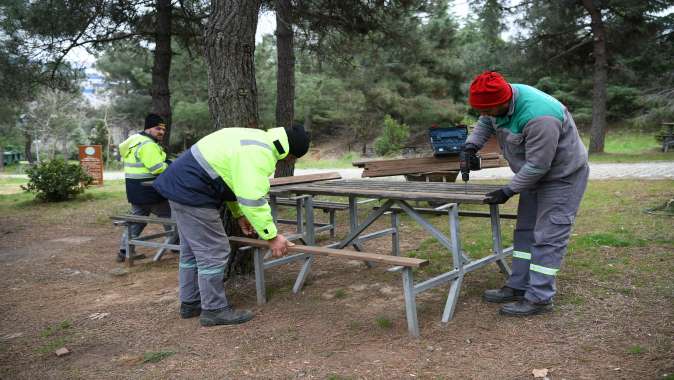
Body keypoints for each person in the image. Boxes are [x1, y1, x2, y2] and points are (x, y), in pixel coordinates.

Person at [153, 125, 311, 327]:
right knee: (214, 250)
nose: (290, 162)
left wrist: (238, 214)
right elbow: (253, 199)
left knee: (192, 251)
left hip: (180, 186)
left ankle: (190, 302)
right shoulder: (260, 154)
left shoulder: (255, 139)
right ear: (289, 153)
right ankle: (214, 309)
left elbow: (229, 179)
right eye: (293, 158)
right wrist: (272, 236)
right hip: (192, 192)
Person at [461, 71, 589, 316]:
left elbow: (539, 165)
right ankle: (518, 285)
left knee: (548, 235)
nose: (485, 114)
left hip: (562, 177)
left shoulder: (540, 116)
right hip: (531, 176)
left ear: (505, 100)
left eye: (489, 109)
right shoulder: (497, 102)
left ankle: (540, 298)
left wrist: (508, 190)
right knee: (525, 231)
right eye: (482, 110)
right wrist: (471, 145)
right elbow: (486, 121)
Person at [117, 113, 174, 263]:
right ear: (148, 128)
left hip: (134, 190)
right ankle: (175, 245)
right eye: (158, 129)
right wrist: (170, 164)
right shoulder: (148, 145)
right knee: (170, 216)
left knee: (138, 219)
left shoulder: (134, 140)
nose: (161, 132)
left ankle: (124, 250)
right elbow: (157, 168)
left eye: (163, 130)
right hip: (150, 191)